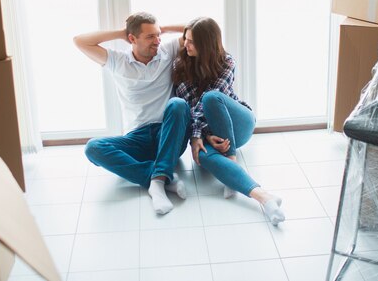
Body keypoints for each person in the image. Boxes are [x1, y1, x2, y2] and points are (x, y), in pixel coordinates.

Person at [73, 12, 190, 215]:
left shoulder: (166, 51)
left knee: (178, 104)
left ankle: (158, 181)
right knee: (93, 148)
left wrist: (164, 28)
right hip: (138, 137)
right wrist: (121, 32)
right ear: (132, 39)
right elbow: (79, 41)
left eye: (158, 35)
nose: (157, 41)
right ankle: (158, 177)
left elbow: (198, 28)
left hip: (168, 134)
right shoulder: (118, 61)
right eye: (150, 36)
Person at [172, 17, 285, 225]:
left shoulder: (227, 61)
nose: (185, 44)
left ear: (206, 45)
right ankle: (265, 198)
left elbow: (209, 101)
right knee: (202, 156)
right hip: (210, 130)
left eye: (191, 41)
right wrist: (205, 135)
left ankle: (230, 160)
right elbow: (188, 107)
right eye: (185, 39)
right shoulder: (180, 66)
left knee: (210, 97)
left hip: (238, 123)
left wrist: (197, 134)